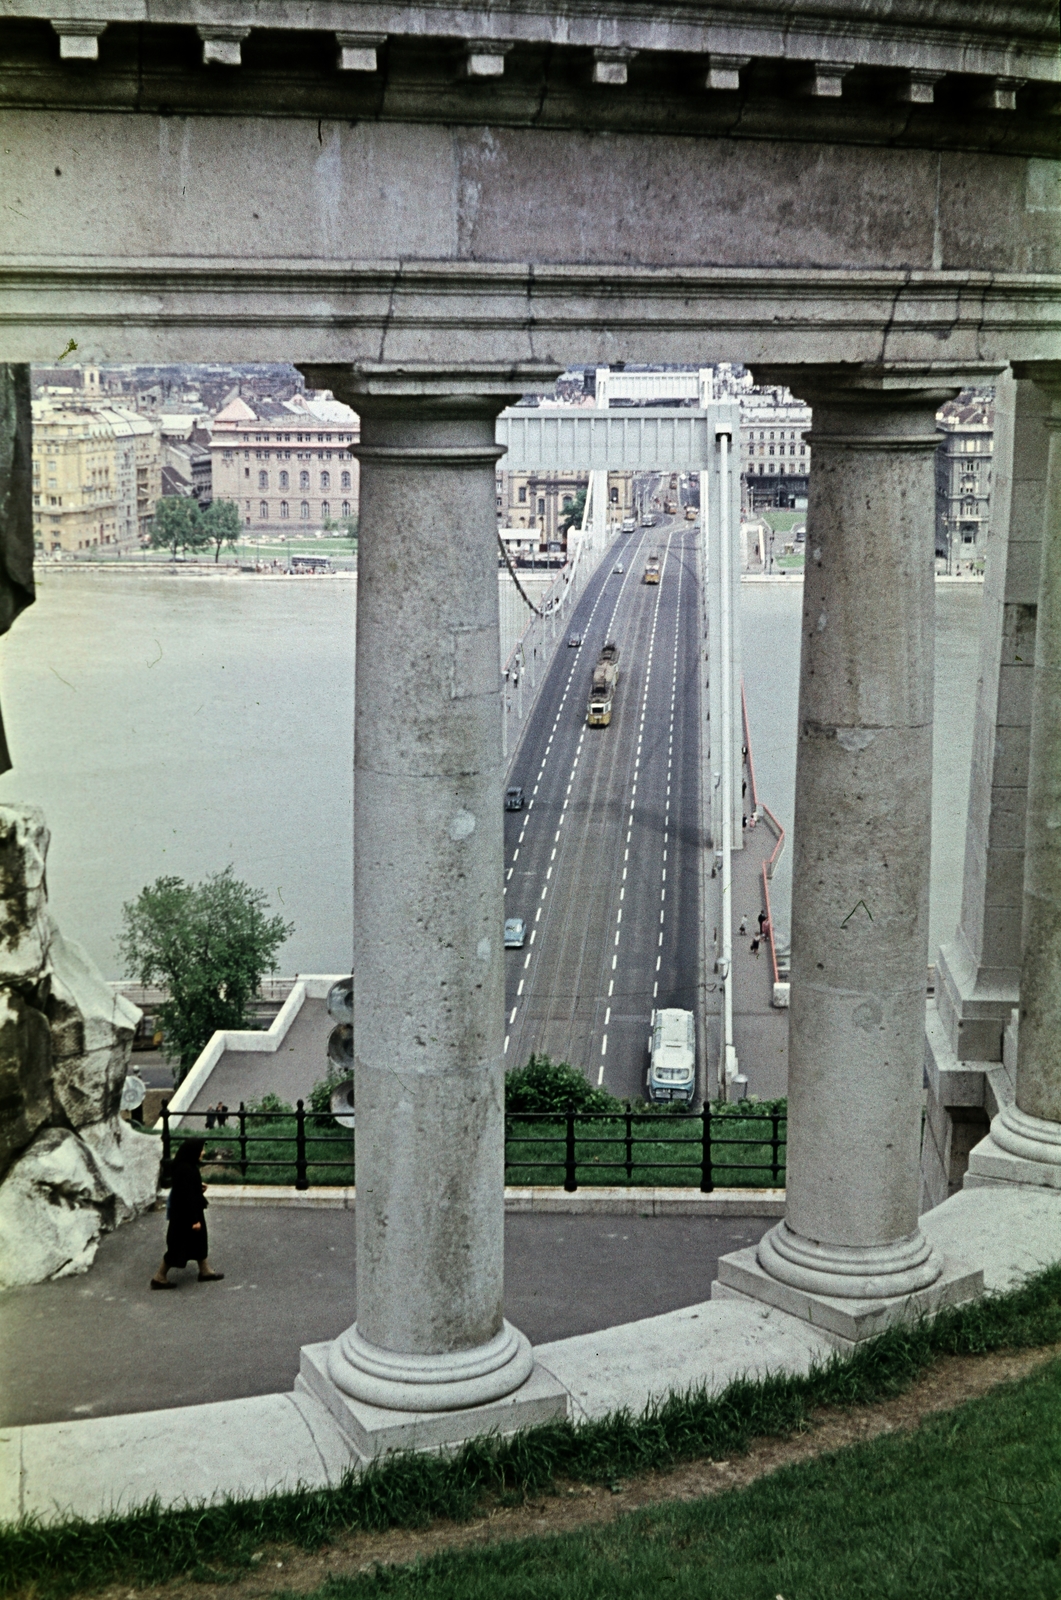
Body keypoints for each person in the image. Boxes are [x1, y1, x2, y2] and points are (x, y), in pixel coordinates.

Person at [150, 1138, 224, 1289]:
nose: (202, 1152)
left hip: (185, 1214)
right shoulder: (187, 1170)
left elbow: (185, 1189)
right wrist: (194, 1220)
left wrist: (198, 1186)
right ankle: (159, 1277)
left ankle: (205, 1270)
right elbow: (187, 1197)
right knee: (177, 1246)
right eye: (201, 1149)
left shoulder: (183, 1166)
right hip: (187, 1216)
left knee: (199, 1242)